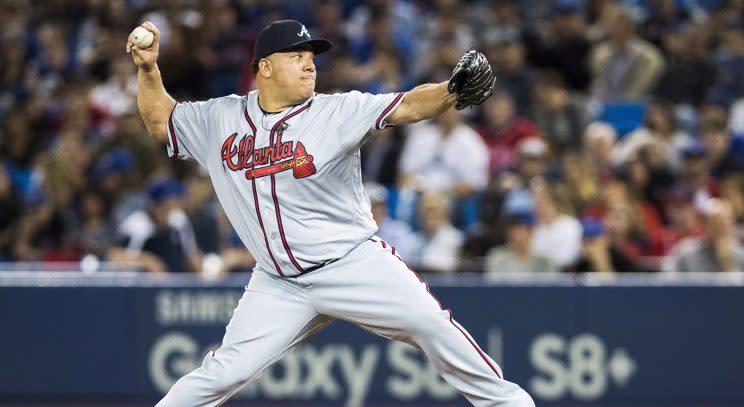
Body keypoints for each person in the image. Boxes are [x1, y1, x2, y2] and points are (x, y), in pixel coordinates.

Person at [127, 19, 533, 406]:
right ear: (264, 68)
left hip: (351, 262)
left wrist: (450, 90)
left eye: (311, 55)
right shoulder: (220, 118)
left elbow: (408, 105)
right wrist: (148, 69)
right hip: (278, 282)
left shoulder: (337, 111)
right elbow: (161, 119)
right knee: (221, 374)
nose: (309, 63)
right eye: (296, 55)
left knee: (432, 326)